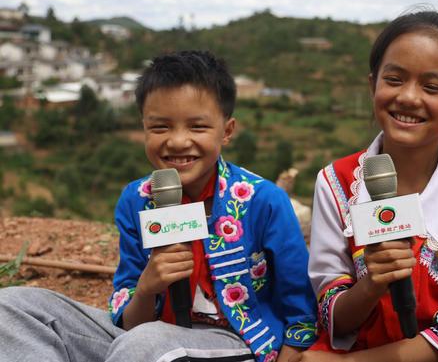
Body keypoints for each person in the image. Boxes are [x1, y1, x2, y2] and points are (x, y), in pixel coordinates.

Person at [0, 50, 317, 362]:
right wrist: (146, 288)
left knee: (148, 343)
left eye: (197, 127)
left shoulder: (263, 200)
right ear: (144, 128)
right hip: (142, 340)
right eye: (160, 127)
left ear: (227, 131)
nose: (177, 141)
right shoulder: (136, 200)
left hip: (234, 343)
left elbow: (301, 305)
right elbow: (130, 323)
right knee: (12, 307)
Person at [292, 10, 438, 362]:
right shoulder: (336, 182)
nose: (408, 97)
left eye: (431, 87)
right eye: (394, 79)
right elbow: (333, 318)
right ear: (372, 85)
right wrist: (371, 284)